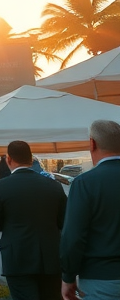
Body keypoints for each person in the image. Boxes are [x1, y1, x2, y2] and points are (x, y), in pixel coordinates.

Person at [0, 140, 67, 300]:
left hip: (17, 259)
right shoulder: (53, 185)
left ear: (9, 159)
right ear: (30, 159)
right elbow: (64, 221)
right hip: (50, 258)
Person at [60, 120, 120, 300]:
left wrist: (68, 277)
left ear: (92, 143)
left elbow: (73, 236)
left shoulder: (85, 183)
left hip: (101, 279)